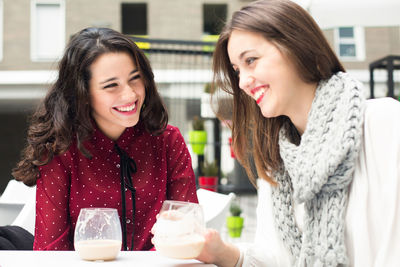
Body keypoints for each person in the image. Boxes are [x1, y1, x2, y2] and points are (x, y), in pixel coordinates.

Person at [192, 0, 400, 266]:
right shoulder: (277, 162)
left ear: (297, 46)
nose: (243, 81)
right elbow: (273, 259)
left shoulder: (381, 122)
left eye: (251, 60)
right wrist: (221, 253)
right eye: (237, 70)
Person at [12, 27, 198, 251]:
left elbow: (187, 233)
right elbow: (51, 250)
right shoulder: (60, 149)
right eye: (111, 86)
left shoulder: (169, 141)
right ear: (83, 94)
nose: (130, 94)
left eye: (135, 79)